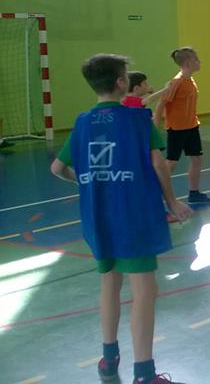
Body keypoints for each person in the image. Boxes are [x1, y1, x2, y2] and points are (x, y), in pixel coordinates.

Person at [50, 54, 192, 384]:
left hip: (97, 217)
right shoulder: (138, 119)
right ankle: (144, 373)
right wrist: (172, 201)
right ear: (120, 82)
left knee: (109, 284)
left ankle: (109, 358)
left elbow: (57, 168)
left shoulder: (82, 122)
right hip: (133, 214)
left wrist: (87, 180)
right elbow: (158, 164)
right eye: (126, 75)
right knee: (144, 290)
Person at [156, 47, 210, 206]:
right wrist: (155, 128)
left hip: (192, 126)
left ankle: (194, 193)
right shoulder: (176, 82)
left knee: (197, 159)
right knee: (171, 163)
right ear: (188, 63)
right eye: (196, 60)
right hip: (177, 129)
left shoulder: (190, 80)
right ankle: (156, 195)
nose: (199, 62)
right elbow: (161, 105)